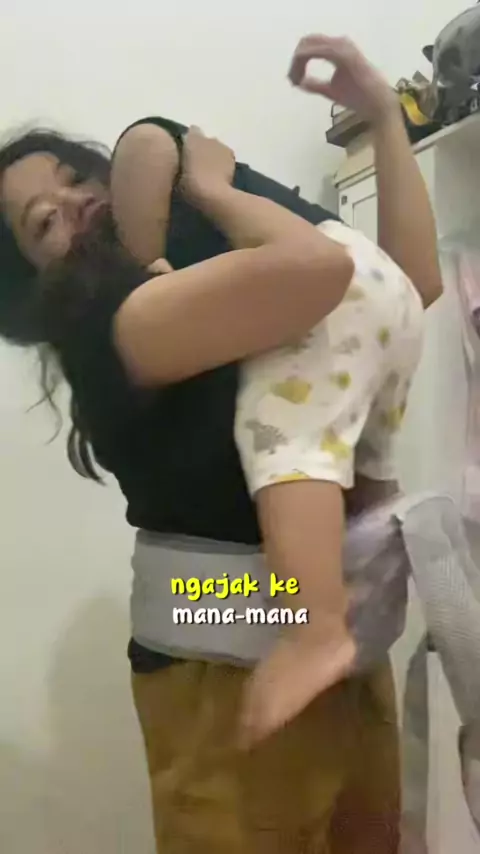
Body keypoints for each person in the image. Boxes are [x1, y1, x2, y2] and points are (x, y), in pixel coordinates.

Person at [0, 34, 441, 854]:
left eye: (73, 177)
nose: (75, 202)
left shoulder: (191, 273)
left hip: (334, 650)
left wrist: (385, 116)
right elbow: (323, 270)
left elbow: (405, 289)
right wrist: (209, 182)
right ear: (33, 285)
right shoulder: (117, 326)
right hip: (232, 666)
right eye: (43, 221)